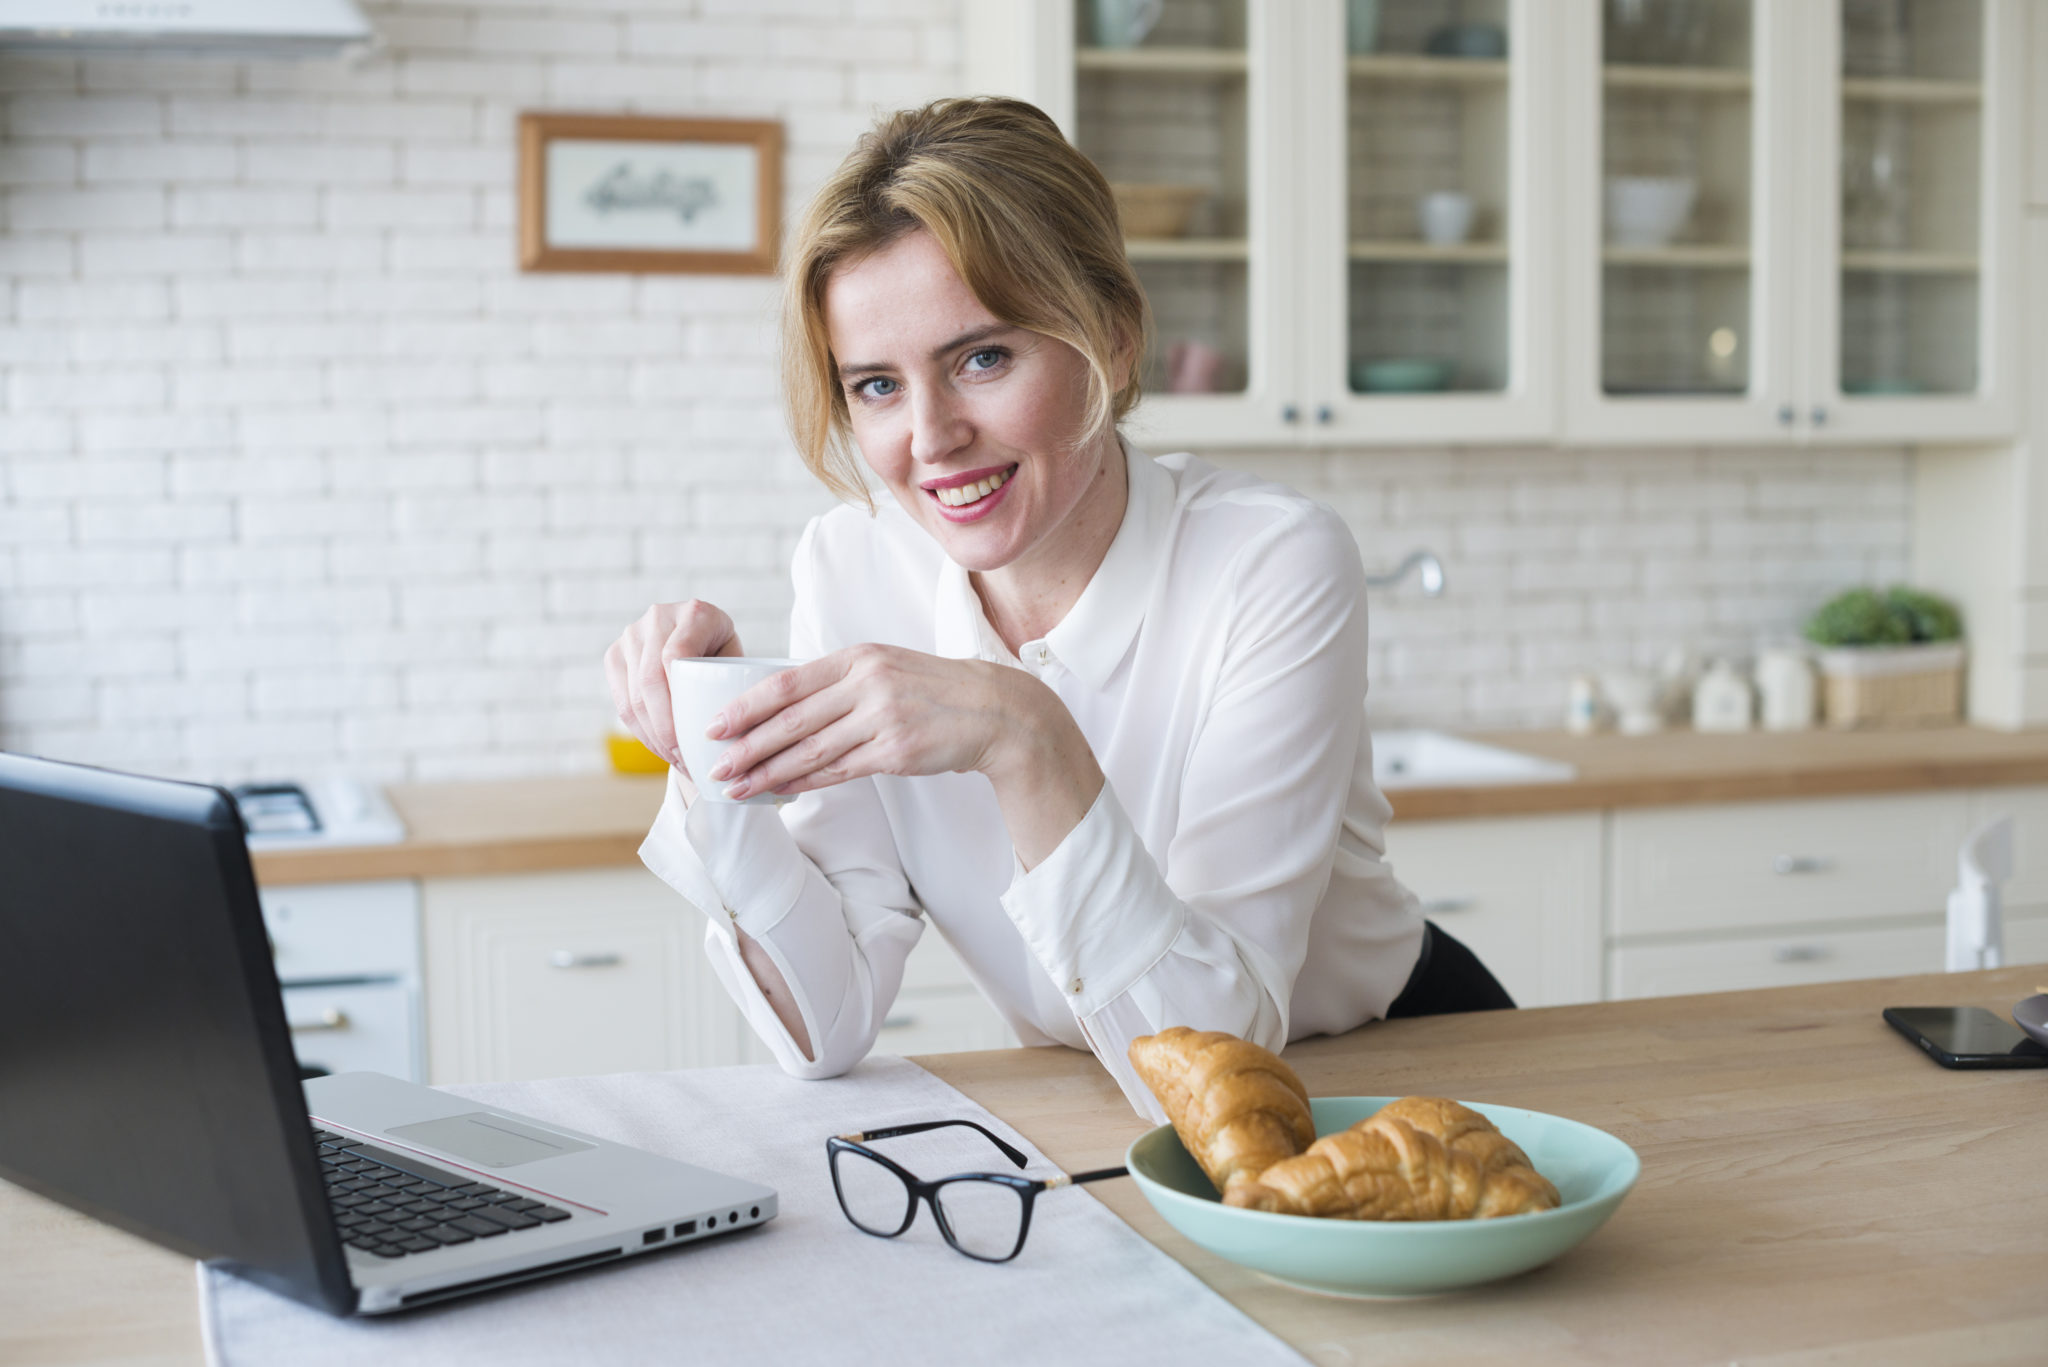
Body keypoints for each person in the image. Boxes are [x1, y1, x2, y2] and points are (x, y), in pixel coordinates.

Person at [604, 97, 1512, 1122]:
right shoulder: (850, 564)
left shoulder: (1268, 560)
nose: (930, 437)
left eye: (981, 358)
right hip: (1094, 1098)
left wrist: (1022, 733)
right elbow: (825, 1023)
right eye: (874, 385)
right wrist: (716, 756)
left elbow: (1213, 1058)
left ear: (1112, 343)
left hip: (1397, 1074)